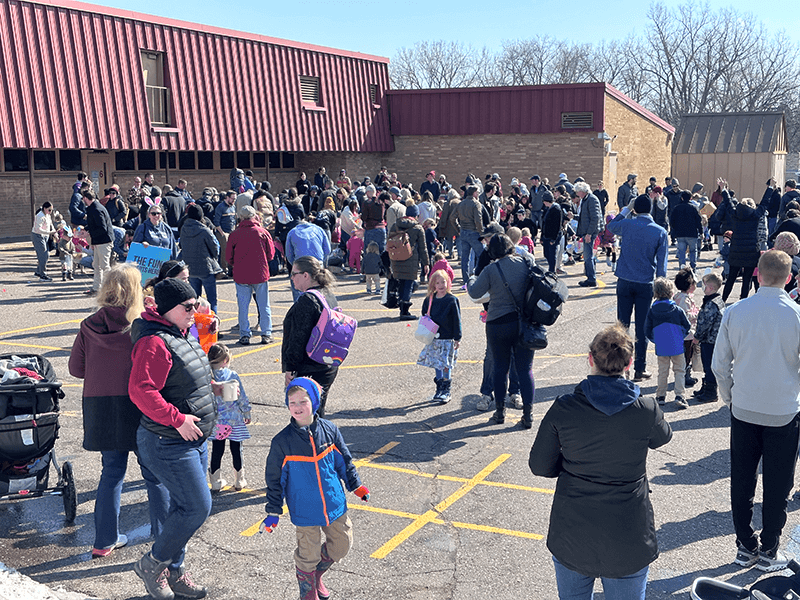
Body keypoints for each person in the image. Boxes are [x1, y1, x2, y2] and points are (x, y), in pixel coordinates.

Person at [529, 324, 672, 600]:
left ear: (590, 358)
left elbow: (540, 465)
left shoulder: (565, 407)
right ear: (629, 364)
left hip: (573, 530)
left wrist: (572, 467)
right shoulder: (646, 409)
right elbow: (663, 437)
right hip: (628, 534)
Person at [69, 264, 167, 559]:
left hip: (100, 405)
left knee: (111, 472)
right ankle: (163, 539)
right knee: (154, 473)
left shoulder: (88, 324)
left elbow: (76, 369)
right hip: (136, 403)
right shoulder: (140, 324)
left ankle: (104, 540)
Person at [712, 250, 800, 572]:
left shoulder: (736, 311)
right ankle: (770, 547)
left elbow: (719, 363)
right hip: (784, 411)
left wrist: (729, 397)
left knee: (742, 478)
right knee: (778, 483)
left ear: (757, 274)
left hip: (745, 407)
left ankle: (744, 544)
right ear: (788, 278)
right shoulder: (796, 314)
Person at [129, 278, 214, 600]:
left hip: (191, 439)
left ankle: (175, 571)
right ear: (166, 310)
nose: (195, 311)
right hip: (168, 441)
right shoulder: (154, 342)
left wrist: (212, 390)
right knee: (197, 507)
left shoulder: (179, 333)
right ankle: (152, 565)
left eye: (197, 304)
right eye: (188, 307)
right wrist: (176, 419)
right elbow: (141, 390)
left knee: (183, 508)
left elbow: (183, 379)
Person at [260, 377, 370, 600]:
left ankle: (316, 574)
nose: (298, 407)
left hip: (334, 502)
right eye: (292, 403)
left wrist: (355, 484)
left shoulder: (329, 430)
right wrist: (273, 511)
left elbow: (344, 461)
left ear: (315, 402)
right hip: (304, 508)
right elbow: (274, 479)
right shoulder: (282, 441)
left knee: (342, 545)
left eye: (303, 401)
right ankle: (308, 590)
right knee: (307, 554)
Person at [467, 233, 536, 428]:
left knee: (500, 368)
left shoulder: (491, 269)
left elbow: (474, 292)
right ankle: (528, 414)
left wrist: (472, 277)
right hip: (524, 323)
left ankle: (499, 412)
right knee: (525, 369)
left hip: (498, 323)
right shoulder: (526, 263)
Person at [606, 194, 669, 381]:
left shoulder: (627, 224)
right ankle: (639, 368)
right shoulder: (659, 231)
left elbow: (611, 226)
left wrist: (626, 209)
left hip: (624, 279)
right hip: (645, 282)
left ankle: (621, 366)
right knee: (642, 327)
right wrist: (661, 285)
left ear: (635, 208)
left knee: (622, 325)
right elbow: (662, 265)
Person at [282, 256, 340, 418]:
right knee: (316, 413)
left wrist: (290, 369)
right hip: (328, 363)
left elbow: (297, 339)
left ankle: (314, 443)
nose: (291, 278)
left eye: (294, 274)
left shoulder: (307, 301)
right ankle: (319, 442)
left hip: (309, 368)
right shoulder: (327, 294)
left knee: (304, 418)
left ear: (306, 275)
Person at [226, 205, 275, 345]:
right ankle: (266, 333)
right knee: (263, 305)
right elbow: (271, 254)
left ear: (240, 217)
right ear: (254, 216)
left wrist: (235, 264)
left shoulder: (235, 234)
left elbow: (228, 257)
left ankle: (244, 334)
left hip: (241, 274)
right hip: (260, 273)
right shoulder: (262, 232)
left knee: (243, 306)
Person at [206, 343, 250, 492]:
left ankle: (216, 481)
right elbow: (241, 397)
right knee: (236, 449)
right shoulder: (232, 375)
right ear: (225, 360)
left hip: (217, 421)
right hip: (235, 420)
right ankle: (239, 480)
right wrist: (246, 412)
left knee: (217, 451)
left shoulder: (207, 377)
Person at [644, 277, 691, 409]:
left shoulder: (652, 311)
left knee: (663, 371)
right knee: (679, 370)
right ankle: (680, 395)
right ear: (671, 293)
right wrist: (680, 336)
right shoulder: (676, 310)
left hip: (661, 346)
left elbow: (647, 330)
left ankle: (660, 395)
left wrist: (655, 339)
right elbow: (686, 326)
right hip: (677, 345)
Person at [417, 270, 461, 403]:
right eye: (437, 283)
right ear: (433, 285)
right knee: (437, 363)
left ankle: (446, 389)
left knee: (446, 364)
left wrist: (457, 337)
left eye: (443, 282)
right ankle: (439, 387)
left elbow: (456, 320)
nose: (441, 285)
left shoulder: (452, 300)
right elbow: (424, 313)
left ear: (448, 282)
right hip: (434, 338)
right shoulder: (429, 299)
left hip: (447, 338)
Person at [722, 196, 768, 302]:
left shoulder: (735, 214)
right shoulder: (755, 215)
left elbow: (728, 204)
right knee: (747, 279)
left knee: (731, 278)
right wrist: (770, 188)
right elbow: (764, 203)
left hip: (736, 250)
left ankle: (723, 299)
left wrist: (724, 191)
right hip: (751, 251)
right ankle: (743, 300)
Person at [388, 204, 429, 320]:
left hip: (396, 258)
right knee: (409, 283)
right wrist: (425, 263)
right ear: (416, 215)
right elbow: (422, 248)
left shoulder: (395, 225)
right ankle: (404, 311)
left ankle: (401, 306)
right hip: (410, 259)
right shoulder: (417, 228)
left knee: (401, 282)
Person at [179, 203, 221, 314]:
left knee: (194, 300)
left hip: (190, 268)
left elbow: (182, 245)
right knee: (212, 301)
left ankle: (195, 328)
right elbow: (215, 247)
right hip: (205, 268)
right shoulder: (204, 230)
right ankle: (212, 328)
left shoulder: (183, 229)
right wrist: (214, 257)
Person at [692, 272, 725, 403]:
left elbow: (705, 323)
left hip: (709, 340)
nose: (703, 288)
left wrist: (697, 336)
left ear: (710, 287)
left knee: (709, 366)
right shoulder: (718, 300)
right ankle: (705, 387)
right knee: (708, 365)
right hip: (715, 339)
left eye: (704, 286)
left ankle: (711, 392)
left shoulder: (711, 304)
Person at [285, 215, 331, 302]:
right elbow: (327, 250)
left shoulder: (292, 232)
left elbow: (289, 255)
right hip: (318, 263)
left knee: (298, 293)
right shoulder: (319, 230)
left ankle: (299, 311)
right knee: (320, 291)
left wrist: (295, 265)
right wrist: (321, 262)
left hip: (300, 265)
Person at [83, 190, 116, 296]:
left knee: (105, 266)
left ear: (85, 198)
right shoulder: (94, 207)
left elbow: (102, 228)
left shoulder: (97, 209)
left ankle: (111, 289)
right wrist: (86, 230)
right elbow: (95, 225)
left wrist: (88, 233)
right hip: (99, 241)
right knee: (96, 265)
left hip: (104, 241)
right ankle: (97, 288)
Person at [673, 267, 700, 389]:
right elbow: (685, 315)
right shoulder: (684, 299)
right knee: (686, 355)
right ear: (690, 285)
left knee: (685, 354)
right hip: (686, 333)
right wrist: (697, 314)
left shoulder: (678, 296)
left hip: (681, 333)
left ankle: (683, 374)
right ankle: (684, 375)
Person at [575, 182, 603, 287]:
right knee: (588, 255)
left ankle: (591, 279)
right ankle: (590, 277)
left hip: (590, 232)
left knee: (588, 256)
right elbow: (585, 217)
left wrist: (589, 233)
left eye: (578, 191)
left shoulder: (591, 199)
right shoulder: (586, 199)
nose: (577, 194)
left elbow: (595, 218)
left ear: (582, 191)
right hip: (587, 231)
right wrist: (573, 216)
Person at [671, 190, 703, 270]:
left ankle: (682, 267)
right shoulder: (694, 208)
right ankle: (693, 267)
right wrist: (701, 232)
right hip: (692, 233)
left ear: (681, 198)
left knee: (681, 251)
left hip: (680, 233)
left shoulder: (676, 208)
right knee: (693, 251)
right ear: (691, 198)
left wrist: (674, 231)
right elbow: (699, 221)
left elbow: (672, 221)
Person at [31, 201, 56, 281]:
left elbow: (50, 224)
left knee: (46, 254)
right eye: (49, 210)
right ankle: (43, 274)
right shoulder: (39, 216)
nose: (50, 212)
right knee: (43, 255)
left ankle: (38, 271)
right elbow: (38, 229)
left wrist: (54, 233)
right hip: (38, 236)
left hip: (45, 236)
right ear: (44, 208)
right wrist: (49, 232)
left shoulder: (47, 215)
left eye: (51, 210)